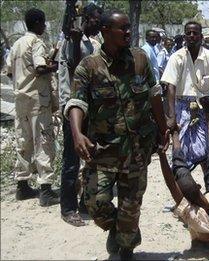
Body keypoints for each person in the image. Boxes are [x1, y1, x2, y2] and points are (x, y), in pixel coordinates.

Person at [64, 10, 168, 260]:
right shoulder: (88, 67)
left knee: (130, 209)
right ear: (106, 32)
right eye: (122, 28)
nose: (128, 32)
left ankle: (126, 247)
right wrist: (77, 134)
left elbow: (154, 95)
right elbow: (77, 101)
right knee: (94, 203)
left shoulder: (140, 60)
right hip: (103, 151)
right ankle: (118, 229)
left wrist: (164, 129)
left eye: (129, 27)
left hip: (136, 150)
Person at [159, 97, 209, 242]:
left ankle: (184, 130)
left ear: (199, 187)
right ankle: (207, 120)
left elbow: (171, 183)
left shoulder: (193, 213)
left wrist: (161, 154)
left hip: (208, 229)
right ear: (199, 187)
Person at [6, 8, 59, 207]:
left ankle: (22, 185)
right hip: (38, 99)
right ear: (37, 23)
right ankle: (46, 189)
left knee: (24, 140)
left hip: (20, 99)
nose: (44, 27)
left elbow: (9, 72)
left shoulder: (16, 44)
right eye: (43, 23)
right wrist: (54, 66)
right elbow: (40, 67)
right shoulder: (36, 42)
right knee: (43, 140)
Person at [161, 21, 209, 180]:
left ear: (201, 37)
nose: (192, 36)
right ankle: (184, 195)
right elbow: (170, 87)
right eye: (188, 33)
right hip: (182, 109)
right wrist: (171, 116)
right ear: (184, 36)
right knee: (180, 156)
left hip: (205, 109)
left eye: (195, 33)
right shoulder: (177, 57)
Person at [57, 3, 103, 227]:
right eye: (95, 20)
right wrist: (75, 41)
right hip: (73, 107)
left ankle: (86, 201)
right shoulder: (71, 40)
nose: (98, 24)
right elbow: (75, 67)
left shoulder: (92, 42)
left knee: (90, 156)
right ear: (85, 18)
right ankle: (68, 208)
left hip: (90, 107)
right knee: (71, 159)